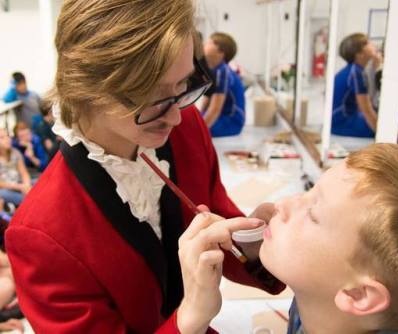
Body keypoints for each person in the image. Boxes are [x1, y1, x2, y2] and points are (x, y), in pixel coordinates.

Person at [5, 1, 283, 333]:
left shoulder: (186, 128)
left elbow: (217, 217)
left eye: (183, 87)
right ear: (87, 89)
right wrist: (188, 319)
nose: (177, 115)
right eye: (155, 100)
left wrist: (251, 247)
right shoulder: (42, 233)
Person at [184, 143, 398, 334]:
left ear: (360, 294)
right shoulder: (324, 303)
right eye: (308, 193)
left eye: (313, 214)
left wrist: (189, 321)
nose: (282, 205)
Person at [331, 33, 378, 138]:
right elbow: (366, 109)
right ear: (359, 54)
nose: (373, 45)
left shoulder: (354, 69)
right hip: (341, 122)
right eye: (367, 43)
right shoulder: (356, 73)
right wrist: (382, 134)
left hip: (342, 118)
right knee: (383, 126)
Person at [201, 32, 246, 137]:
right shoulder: (213, 70)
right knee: (188, 121)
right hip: (221, 116)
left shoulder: (223, 71)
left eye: (209, 43)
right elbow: (207, 99)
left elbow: (215, 109)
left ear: (221, 52)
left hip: (231, 121)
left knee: (191, 129)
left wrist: (200, 132)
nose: (204, 44)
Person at [0, 128, 31, 207]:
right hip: (7, 188)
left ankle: (30, 199)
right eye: (2, 137)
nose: (7, 139)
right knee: (2, 194)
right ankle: (30, 200)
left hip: (19, 183)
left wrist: (26, 185)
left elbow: (24, 173)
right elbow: (1, 184)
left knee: (40, 180)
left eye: (8, 136)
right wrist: (20, 187)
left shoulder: (15, 152)